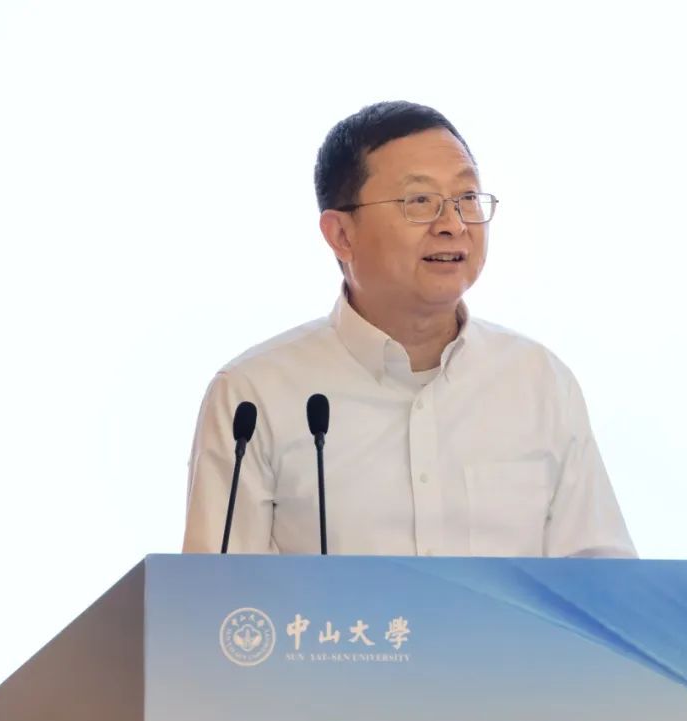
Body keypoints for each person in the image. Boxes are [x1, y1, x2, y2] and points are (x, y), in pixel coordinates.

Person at [182, 101, 635, 558]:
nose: (453, 225)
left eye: (466, 199)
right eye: (419, 202)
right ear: (341, 235)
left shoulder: (539, 383)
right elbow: (216, 597)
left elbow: (602, 580)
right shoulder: (253, 397)